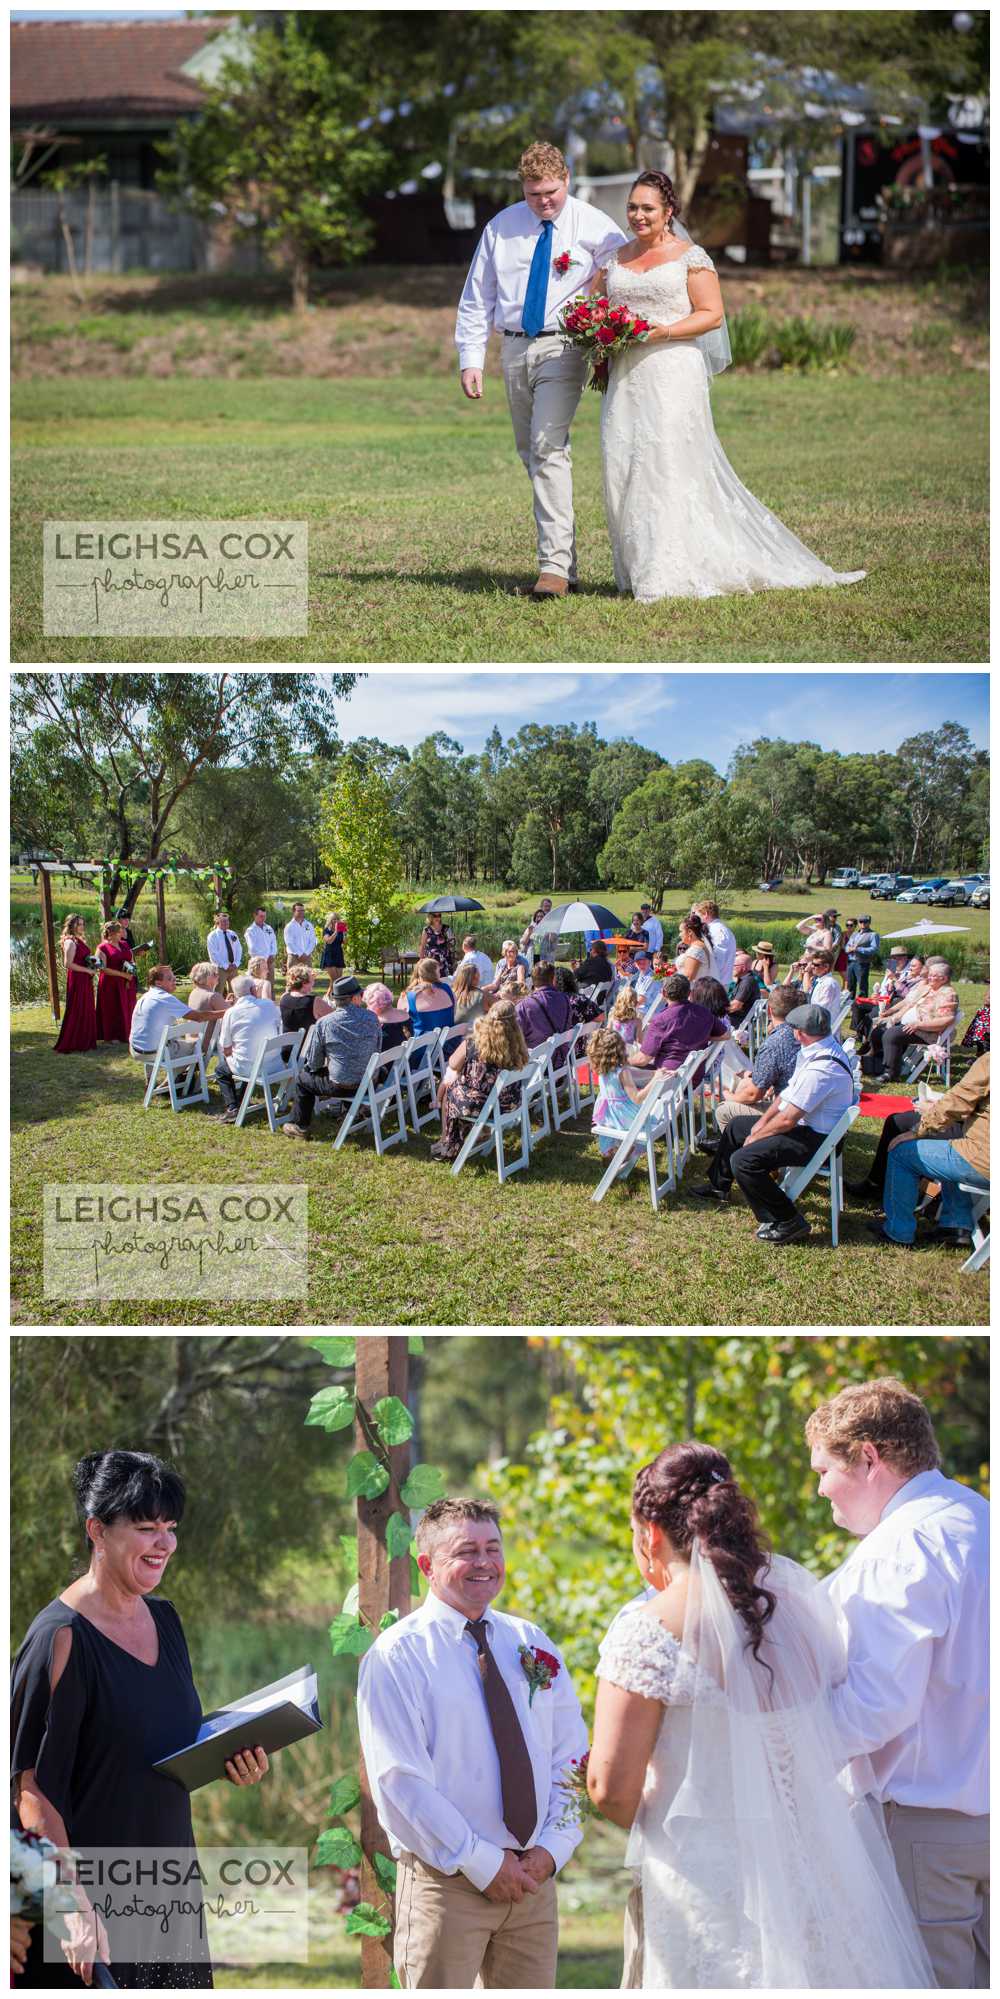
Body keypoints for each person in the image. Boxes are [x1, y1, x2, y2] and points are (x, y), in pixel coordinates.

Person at [588, 1442, 933, 1989]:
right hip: (811, 1864)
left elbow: (609, 1786)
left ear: (650, 1532)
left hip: (706, 1877)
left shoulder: (647, 1628)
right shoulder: (796, 1604)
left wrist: (683, 1824)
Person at [11, 1449, 267, 1990]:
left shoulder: (167, 1621)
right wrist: (71, 1902)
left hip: (168, 1887)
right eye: (147, 1527)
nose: (165, 1544)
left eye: (170, 1528)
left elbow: (153, 1745)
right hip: (86, 1904)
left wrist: (229, 1757)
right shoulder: (58, 1639)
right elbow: (27, 1789)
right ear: (96, 1531)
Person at [595, 170, 865, 604]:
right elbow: (597, 308)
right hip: (626, 377)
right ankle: (635, 567)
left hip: (671, 370)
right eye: (632, 207)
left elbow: (711, 314)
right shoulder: (616, 258)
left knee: (664, 462)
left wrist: (660, 332)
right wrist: (598, 339)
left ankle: (666, 571)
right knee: (623, 462)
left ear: (668, 213)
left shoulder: (691, 257)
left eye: (648, 208)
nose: (638, 215)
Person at [357, 1496, 589, 1985]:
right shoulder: (397, 1656)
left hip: (532, 1886)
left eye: (493, 1548)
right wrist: (483, 1862)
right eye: (466, 1551)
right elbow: (400, 1783)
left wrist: (553, 1849)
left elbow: (571, 1757)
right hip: (449, 1885)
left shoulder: (532, 1642)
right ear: (427, 1565)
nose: (484, 1562)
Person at [807, 1378, 988, 1986]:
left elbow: (877, 1706)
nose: (819, 1489)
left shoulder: (900, 1547)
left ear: (867, 1458)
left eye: (823, 1470)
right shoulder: (981, 1522)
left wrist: (785, 1747)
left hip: (925, 1834)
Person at [455, 141, 627, 600]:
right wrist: (471, 359)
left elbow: (625, 270)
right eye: (534, 194)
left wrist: (602, 325)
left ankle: (551, 568)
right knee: (529, 451)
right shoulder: (501, 227)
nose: (544, 201)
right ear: (523, 189)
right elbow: (477, 296)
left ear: (566, 180)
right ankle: (566, 561)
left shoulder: (593, 225)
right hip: (513, 348)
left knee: (547, 447)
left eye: (551, 191)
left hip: (564, 346)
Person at [699, 1002, 857, 1244]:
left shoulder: (821, 1069)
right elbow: (786, 1095)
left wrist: (757, 1136)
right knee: (736, 1127)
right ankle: (718, 1186)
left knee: (743, 1160)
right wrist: (760, 1123)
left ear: (799, 1033)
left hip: (817, 1139)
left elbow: (787, 1119)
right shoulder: (819, 1048)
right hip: (808, 1127)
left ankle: (787, 1219)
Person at [868, 1051, 990, 1250]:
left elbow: (959, 1100)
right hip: (982, 1151)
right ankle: (955, 1225)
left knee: (901, 1153)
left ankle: (898, 1231)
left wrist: (920, 1128)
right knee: (954, 1144)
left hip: (985, 1158)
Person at [283, 976, 381, 1140]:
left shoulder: (325, 1023)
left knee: (302, 1079)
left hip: (343, 1085)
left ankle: (300, 1126)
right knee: (350, 1067)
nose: (362, 997)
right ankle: (354, 1109)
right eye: (361, 994)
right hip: (370, 1080)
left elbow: (314, 1063)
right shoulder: (371, 1017)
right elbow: (377, 1048)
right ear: (354, 998)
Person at [705, 984, 804, 1144]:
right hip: (802, 1104)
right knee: (744, 1081)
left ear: (770, 1011)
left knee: (723, 1110)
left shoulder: (775, 1042)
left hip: (790, 1114)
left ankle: (744, 1151)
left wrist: (728, 1096)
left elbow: (754, 1094)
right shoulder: (805, 1033)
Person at [431, 1004, 530, 1161]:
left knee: (451, 1091)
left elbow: (453, 1063)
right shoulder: (517, 1045)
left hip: (483, 1106)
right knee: (468, 1091)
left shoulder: (474, 1043)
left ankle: (447, 1142)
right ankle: (481, 1132)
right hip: (510, 1102)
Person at [862, 956, 959, 1083]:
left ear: (944, 978)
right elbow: (909, 1002)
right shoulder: (930, 988)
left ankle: (891, 1073)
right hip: (914, 1025)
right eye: (929, 975)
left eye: (933, 976)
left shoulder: (948, 994)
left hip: (929, 1032)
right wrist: (892, 1014)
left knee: (892, 1035)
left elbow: (945, 1021)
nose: (929, 977)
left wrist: (919, 1025)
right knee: (881, 1029)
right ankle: (875, 1064)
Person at [588, 1026, 662, 1172]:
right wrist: (656, 1079)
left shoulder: (601, 1069)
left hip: (609, 1116)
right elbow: (637, 1098)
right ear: (620, 1049)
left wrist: (652, 1075)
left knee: (610, 1157)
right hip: (626, 1117)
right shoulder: (622, 1072)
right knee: (645, 1110)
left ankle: (617, 1154)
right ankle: (626, 1150)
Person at [213, 974, 282, 1122]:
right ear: (253, 990)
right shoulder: (269, 1005)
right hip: (276, 1064)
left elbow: (225, 1048)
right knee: (246, 1057)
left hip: (251, 1067)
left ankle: (233, 1107)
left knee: (221, 1070)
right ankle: (241, 1099)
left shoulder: (231, 1013)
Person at [629, 972, 727, 1077]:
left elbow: (642, 1059)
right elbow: (726, 1035)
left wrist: (621, 1062)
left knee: (619, 1072)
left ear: (663, 993)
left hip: (667, 1080)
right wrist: (702, 1036)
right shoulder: (705, 1013)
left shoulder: (661, 1019)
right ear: (689, 993)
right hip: (694, 1076)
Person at [128, 964, 204, 1063]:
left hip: (135, 1049)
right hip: (153, 1053)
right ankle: (178, 1078)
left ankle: (158, 1077)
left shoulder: (146, 996)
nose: (174, 979)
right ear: (159, 983)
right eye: (170, 978)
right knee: (198, 1047)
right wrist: (227, 1012)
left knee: (175, 1041)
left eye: (174, 976)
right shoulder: (164, 998)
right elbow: (198, 1017)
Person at [53, 915, 98, 1055]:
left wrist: (92, 964)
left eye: (83, 924)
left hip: (84, 978)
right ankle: (74, 1041)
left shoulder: (78, 940)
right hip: (77, 979)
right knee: (77, 1007)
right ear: (71, 925)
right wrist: (87, 970)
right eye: (79, 924)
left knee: (86, 1007)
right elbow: (68, 964)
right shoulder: (70, 942)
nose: (82, 927)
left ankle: (85, 1040)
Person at [94, 920, 137, 1044]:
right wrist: (122, 974)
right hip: (110, 983)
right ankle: (113, 1035)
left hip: (127, 981)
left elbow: (131, 960)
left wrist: (131, 971)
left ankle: (127, 1032)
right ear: (111, 934)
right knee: (112, 1008)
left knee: (128, 1006)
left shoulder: (124, 944)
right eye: (119, 931)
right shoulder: (102, 948)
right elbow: (102, 968)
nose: (122, 933)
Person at [516, 961, 573, 1050]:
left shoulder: (524, 1005)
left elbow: (515, 1038)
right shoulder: (565, 999)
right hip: (561, 1058)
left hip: (536, 1061)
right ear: (554, 979)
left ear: (532, 980)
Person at [279, 965, 332, 1056]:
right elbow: (336, 1019)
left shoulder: (284, 998)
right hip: (307, 1055)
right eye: (312, 980)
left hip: (286, 1052)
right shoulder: (315, 1001)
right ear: (304, 983)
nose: (314, 983)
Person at [402, 958, 457, 1046]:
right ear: (434, 974)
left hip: (422, 1050)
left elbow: (402, 1026)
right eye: (439, 971)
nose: (440, 974)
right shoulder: (447, 989)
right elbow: (453, 1013)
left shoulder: (408, 997)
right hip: (449, 1045)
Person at [692, 901, 736, 987]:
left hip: (713, 985)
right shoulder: (725, 930)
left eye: (697, 916)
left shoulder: (715, 931)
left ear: (705, 914)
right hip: (719, 982)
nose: (696, 921)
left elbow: (717, 959)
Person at [363, 981, 411, 1051]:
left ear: (373, 1005)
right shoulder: (406, 1022)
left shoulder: (381, 1032)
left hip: (385, 1061)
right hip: (405, 1059)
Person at [845, 914, 880, 998]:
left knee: (862, 986)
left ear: (869, 923)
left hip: (862, 963)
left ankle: (862, 1006)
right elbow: (847, 947)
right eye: (861, 922)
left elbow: (874, 949)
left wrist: (859, 949)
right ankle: (849, 1005)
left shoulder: (873, 934)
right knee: (850, 985)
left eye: (865, 922)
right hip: (850, 962)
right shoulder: (854, 934)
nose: (863, 924)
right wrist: (848, 949)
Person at [206, 909, 242, 991]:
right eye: (224, 921)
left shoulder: (232, 933)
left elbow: (239, 949)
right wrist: (226, 966)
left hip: (233, 967)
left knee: (235, 991)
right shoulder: (212, 936)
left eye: (227, 921)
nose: (226, 923)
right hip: (220, 968)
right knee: (218, 991)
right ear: (217, 923)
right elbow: (214, 954)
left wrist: (236, 963)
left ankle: (232, 1004)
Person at [673, 915, 714, 985]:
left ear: (689, 932)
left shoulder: (696, 950)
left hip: (692, 990)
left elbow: (688, 977)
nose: (679, 935)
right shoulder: (697, 946)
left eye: (681, 931)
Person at [803, 949, 843, 1017]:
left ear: (826, 967)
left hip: (823, 1024)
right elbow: (806, 991)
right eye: (812, 963)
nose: (812, 967)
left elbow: (820, 1010)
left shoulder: (829, 984)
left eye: (816, 965)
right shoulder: (819, 980)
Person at [726, 950, 760, 1028]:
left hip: (739, 1020)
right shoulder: (745, 978)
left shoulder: (747, 982)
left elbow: (735, 1006)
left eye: (734, 965)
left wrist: (716, 1010)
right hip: (739, 1017)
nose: (732, 968)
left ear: (743, 968)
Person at [244, 907, 277, 985]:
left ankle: (270, 997)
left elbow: (274, 942)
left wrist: (272, 954)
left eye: (264, 916)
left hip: (270, 961)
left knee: (270, 984)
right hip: (257, 963)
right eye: (261, 916)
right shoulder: (250, 931)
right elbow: (252, 948)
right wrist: (264, 958)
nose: (263, 918)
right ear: (255, 916)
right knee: (257, 985)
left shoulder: (268, 928)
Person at [419, 912, 457, 979]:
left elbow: (452, 943)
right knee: (431, 979)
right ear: (430, 917)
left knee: (446, 979)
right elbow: (422, 946)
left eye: (439, 915)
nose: (437, 918)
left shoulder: (446, 928)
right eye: (435, 916)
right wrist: (421, 960)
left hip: (445, 959)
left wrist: (450, 943)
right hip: (431, 959)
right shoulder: (427, 930)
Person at [283, 903, 316, 977]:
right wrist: (300, 954)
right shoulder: (289, 926)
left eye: (303, 910)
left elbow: (313, 941)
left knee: (308, 981)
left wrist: (306, 953)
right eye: (299, 911)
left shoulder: (309, 925)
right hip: (294, 957)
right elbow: (289, 943)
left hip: (307, 957)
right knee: (292, 981)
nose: (302, 912)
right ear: (293, 911)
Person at [608, 982, 641, 1048]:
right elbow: (639, 1041)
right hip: (626, 1053)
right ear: (635, 1003)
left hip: (612, 1049)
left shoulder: (612, 1016)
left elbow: (607, 1033)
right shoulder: (637, 1021)